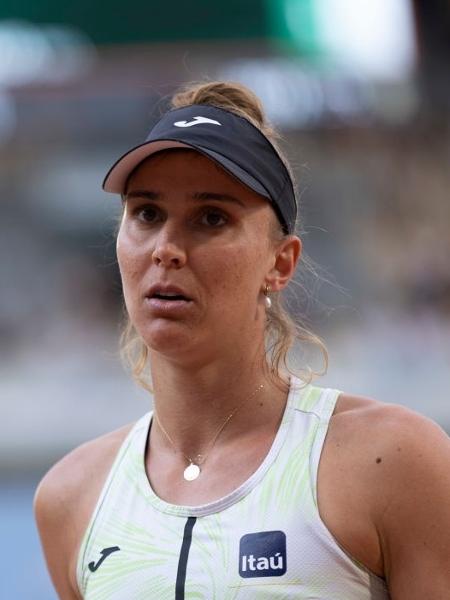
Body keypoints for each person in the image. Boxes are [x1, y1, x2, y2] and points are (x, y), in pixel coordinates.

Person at [34, 81, 450, 600]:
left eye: (211, 218)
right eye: (146, 213)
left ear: (281, 263)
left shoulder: (389, 459)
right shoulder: (72, 497)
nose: (166, 248)